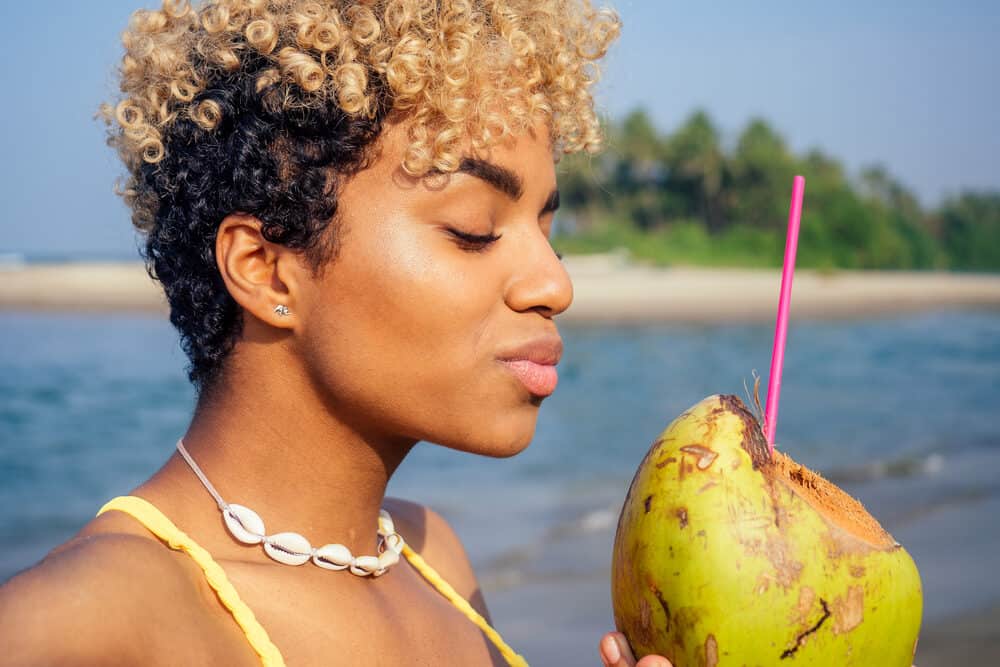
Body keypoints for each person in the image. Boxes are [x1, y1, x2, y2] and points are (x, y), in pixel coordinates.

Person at [0, 0, 671, 665]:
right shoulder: (80, 623)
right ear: (265, 269)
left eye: (545, 229)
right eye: (474, 229)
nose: (554, 284)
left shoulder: (433, 557)